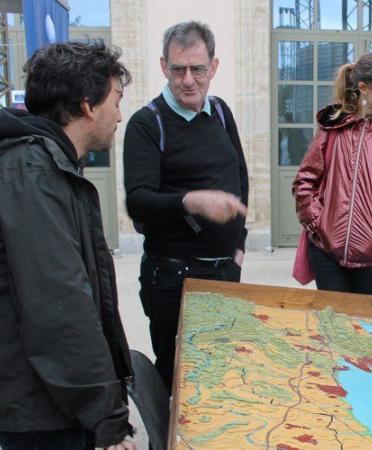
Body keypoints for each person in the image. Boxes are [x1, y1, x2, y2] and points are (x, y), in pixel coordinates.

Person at [0, 42, 135, 450]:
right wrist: (107, 418)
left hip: (53, 402)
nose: (119, 114)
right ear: (88, 106)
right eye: (115, 100)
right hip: (39, 412)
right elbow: (59, 308)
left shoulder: (49, 165)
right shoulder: (32, 174)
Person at [124, 21, 248, 392]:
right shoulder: (147, 124)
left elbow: (240, 177)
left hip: (226, 272)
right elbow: (138, 202)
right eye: (178, 69)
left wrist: (238, 247)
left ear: (214, 67)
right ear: (164, 66)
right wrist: (190, 201)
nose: (188, 80)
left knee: (220, 369)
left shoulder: (222, 113)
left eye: (198, 69)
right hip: (174, 277)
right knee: (177, 375)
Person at [293, 51, 372, 295]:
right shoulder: (333, 126)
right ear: (364, 88)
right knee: (333, 324)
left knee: (365, 327)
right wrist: (319, 223)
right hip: (327, 254)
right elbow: (305, 182)